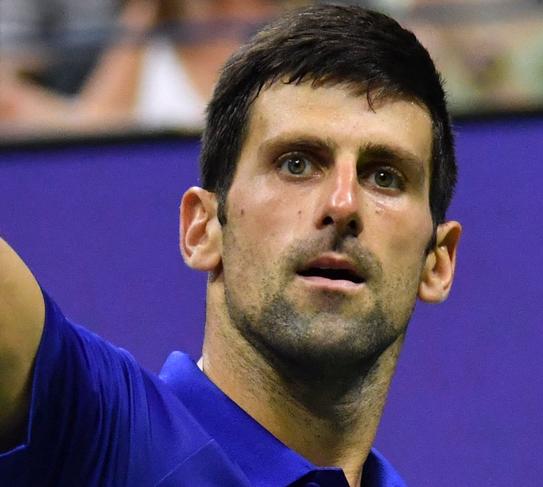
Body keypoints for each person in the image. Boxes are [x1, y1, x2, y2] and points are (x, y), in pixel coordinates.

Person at [0, 4, 461, 486]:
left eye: (385, 177)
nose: (343, 204)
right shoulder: (96, 432)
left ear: (439, 261)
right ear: (202, 229)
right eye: (297, 164)